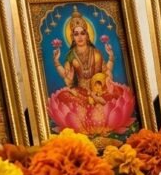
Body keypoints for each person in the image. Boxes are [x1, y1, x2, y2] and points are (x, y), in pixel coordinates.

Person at [46, 8, 136, 137]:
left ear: (87, 35)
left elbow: (105, 72)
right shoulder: (70, 56)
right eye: (76, 34)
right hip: (80, 92)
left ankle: (105, 124)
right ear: (72, 37)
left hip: (98, 88)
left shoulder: (96, 53)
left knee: (117, 96)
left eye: (82, 33)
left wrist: (110, 59)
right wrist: (56, 62)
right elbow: (67, 77)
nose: (80, 37)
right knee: (64, 100)